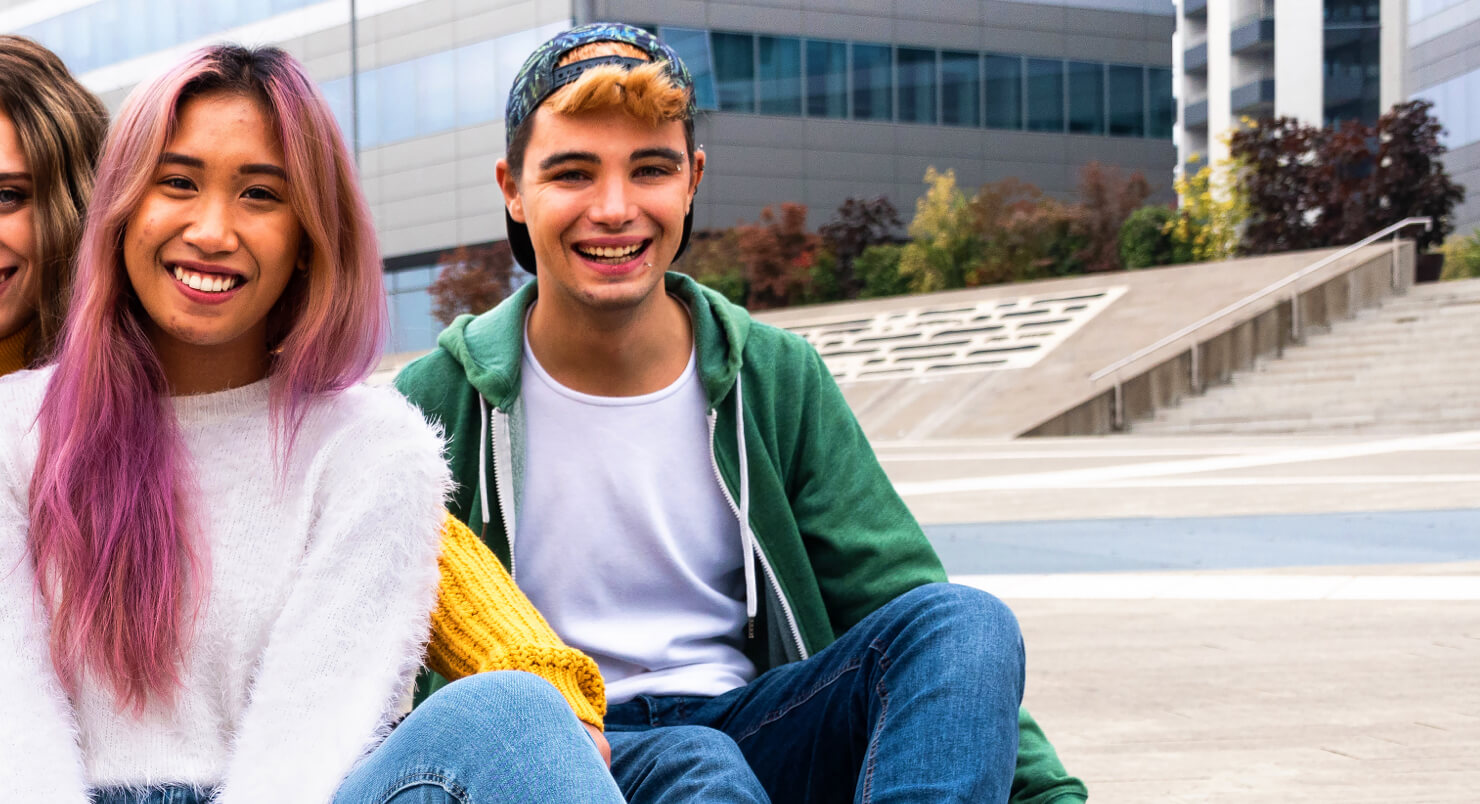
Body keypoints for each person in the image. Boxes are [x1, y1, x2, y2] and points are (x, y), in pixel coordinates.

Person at [0, 35, 746, 804]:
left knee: (570, 727)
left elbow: (413, 604)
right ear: (127, 209)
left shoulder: (361, 442)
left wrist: (550, 694)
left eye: (6, 194)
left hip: (294, 783)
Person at [392, 24, 1087, 804]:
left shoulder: (773, 375)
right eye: (573, 173)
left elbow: (893, 595)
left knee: (965, 623)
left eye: (649, 169)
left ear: (692, 180)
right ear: (513, 188)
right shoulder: (433, 403)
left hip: (756, 726)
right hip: (561, 752)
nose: (614, 208)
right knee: (698, 766)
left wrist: (1046, 796)